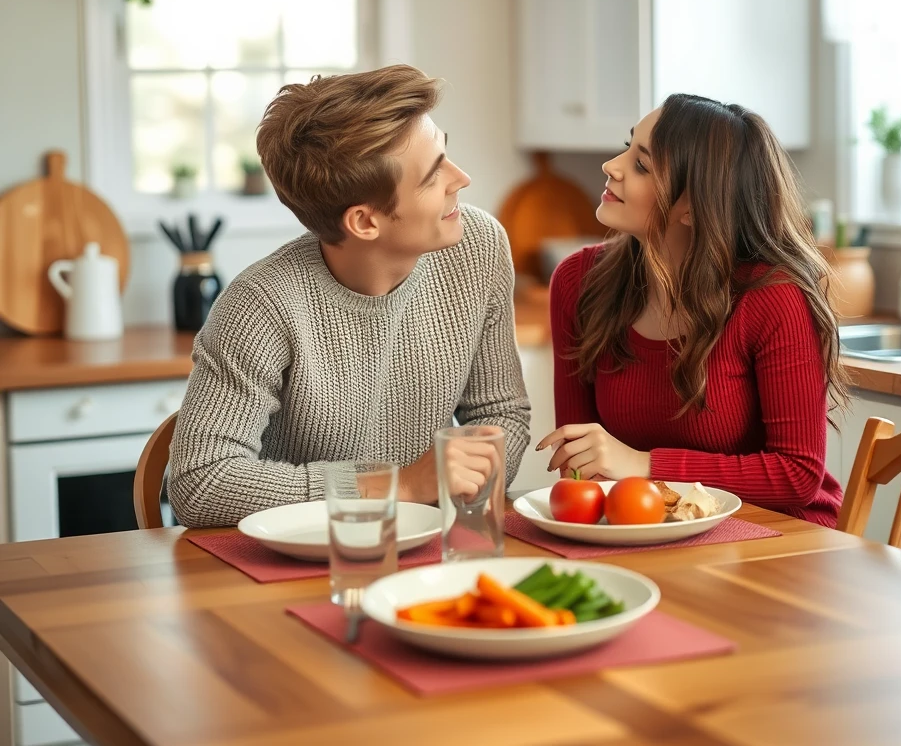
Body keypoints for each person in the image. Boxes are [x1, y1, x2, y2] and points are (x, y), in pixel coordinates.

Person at [168, 65, 530, 528]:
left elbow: (502, 414)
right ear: (364, 222)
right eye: (434, 174)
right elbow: (201, 483)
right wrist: (394, 486)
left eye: (447, 153)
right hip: (299, 560)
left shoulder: (477, 246)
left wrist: (449, 493)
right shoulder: (260, 305)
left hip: (425, 546)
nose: (462, 178)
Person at [539, 94, 848, 527]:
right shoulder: (578, 282)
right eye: (628, 147)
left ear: (692, 206)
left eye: (642, 165)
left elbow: (796, 475)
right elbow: (581, 462)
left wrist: (644, 465)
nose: (612, 165)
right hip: (651, 529)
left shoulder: (772, 297)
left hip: (778, 536)